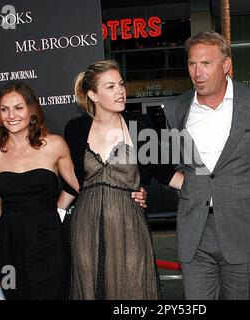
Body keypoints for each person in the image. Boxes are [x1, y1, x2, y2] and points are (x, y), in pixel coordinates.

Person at [162, 30, 250, 299]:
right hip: (195, 230)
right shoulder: (175, 108)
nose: (197, 71)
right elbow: (177, 163)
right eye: (192, 63)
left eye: (206, 63)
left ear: (226, 64)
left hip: (245, 230)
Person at [57, 60, 183, 300]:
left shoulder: (139, 125)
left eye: (121, 85)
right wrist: (52, 217)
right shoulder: (75, 129)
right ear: (93, 94)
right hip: (85, 226)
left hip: (129, 225)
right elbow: (72, 183)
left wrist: (211, 189)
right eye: (111, 86)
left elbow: (165, 173)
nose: (121, 91)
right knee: (90, 290)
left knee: (133, 289)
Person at [0, 82, 80, 299]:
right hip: (9, 246)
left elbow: (80, 186)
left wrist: (127, 194)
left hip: (49, 241)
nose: (11, 115)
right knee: (13, 293)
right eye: (4, 109)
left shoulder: (54, 146)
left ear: (31, 110)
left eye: (18, 107)